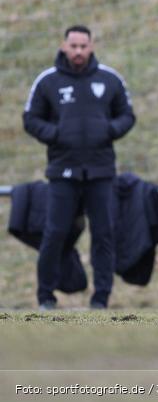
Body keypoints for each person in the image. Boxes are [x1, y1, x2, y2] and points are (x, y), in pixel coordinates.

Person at [23, 25, 136, 310]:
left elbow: (127, 115)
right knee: (55, 233)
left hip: (101, 172)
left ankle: (101, 298)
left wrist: (109, 130)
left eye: (83, 46)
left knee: (103, 234)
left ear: (91, 47)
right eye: (73, 46)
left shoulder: (109, 79)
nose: (78, 52)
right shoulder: (47, 81)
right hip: (63, 171)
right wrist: (56, 134)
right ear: (64, 46)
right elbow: (31, 119)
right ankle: (46, 296)